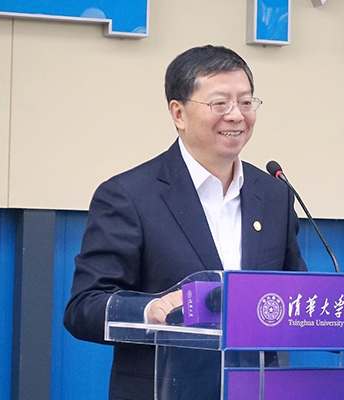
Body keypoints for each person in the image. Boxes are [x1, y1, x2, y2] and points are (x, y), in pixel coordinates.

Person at [63, 45, 307, 400]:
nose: (236, 115)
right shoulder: (129, 195)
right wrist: (149, 311)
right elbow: (83, 307)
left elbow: (295, 296)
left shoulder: (274, 195)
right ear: (178, 113)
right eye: (219, 103)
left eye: (246, 102)